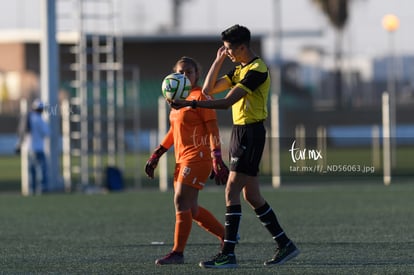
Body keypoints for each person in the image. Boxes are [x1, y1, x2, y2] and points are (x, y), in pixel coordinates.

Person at [171, 24, 300, 268]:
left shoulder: (256, 70)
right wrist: (218, 60)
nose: (227, 52)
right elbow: (208, 90)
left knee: (231, 192)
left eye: (229, 49)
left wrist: (193, 105)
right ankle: (285, 244)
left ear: (242, 47)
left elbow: (227, 101)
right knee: (251, 195)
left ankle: (228, 253)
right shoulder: (239, 69)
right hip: (242, 134)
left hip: (250, 133)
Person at [145, 56, 229, 265]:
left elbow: (212, 129)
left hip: (198, 156)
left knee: (181, 200)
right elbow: (174, 131)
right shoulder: (175, 100)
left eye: (189, 72)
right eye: (180, 72)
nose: (184, 76)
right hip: (182, 159)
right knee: (191, 209)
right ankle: (228, 238)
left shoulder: (200, 96)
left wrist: (216, 157)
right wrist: (157, 154)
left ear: (197, 75)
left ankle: (177, 253)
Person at [16, 99, 49, 194]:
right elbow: (47, 132)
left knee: (31, 172)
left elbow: (21, 133)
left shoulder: (27, 118)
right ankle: (43, 190)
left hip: (29, 149)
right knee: (42, 170)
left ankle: (32, 190)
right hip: (38, 148)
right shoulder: (39, 119)